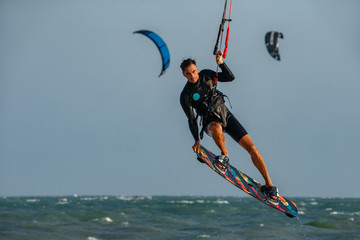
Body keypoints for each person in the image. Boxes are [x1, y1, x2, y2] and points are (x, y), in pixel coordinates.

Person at [180, 51, 279, 204]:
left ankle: (270, 186)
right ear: (184, 75)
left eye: (193, 71)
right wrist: (196, 140)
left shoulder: (206, 75)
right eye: (188, 74)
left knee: (252, 148)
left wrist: (221, 63)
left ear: (197, 69)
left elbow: (230, 78)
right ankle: (224, 156)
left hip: (225, 114)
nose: (192, 75)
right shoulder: (185, 95)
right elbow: (191, 120)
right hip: (209, 120)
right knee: (215, 127)